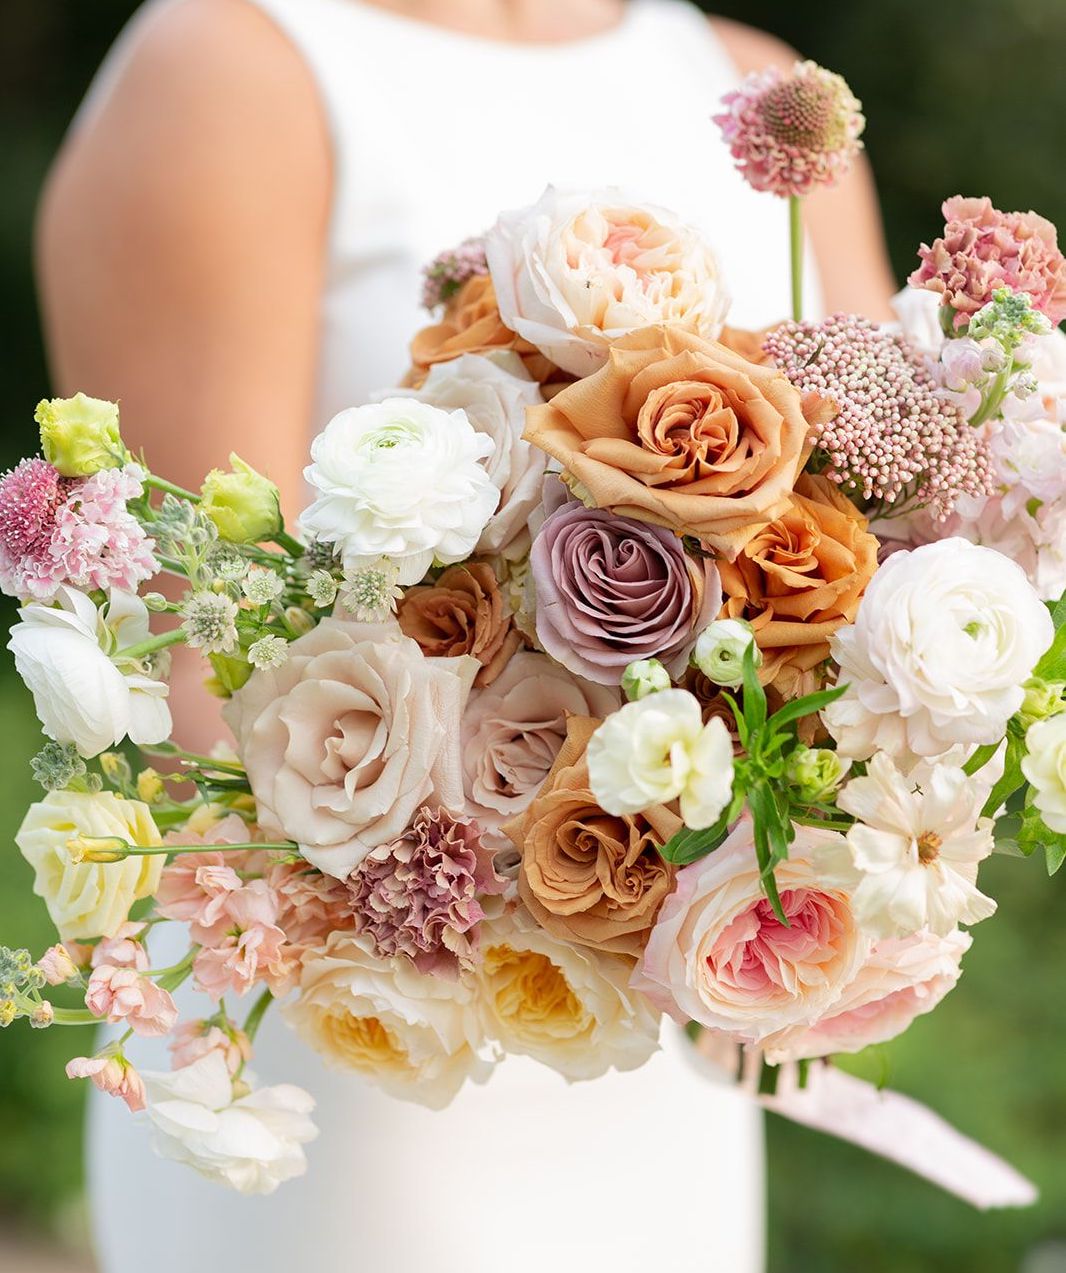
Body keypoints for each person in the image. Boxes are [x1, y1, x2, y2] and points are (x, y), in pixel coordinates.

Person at [36, 3, 896, 1271]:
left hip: (671, 1019)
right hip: (365, 1027)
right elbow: (197, 683)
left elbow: (898, 540)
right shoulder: (232, 67)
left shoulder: (758, 89)